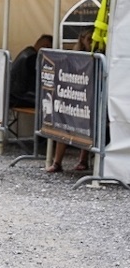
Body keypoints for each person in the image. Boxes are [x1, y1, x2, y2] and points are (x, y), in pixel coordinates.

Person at [47, 27, 98, 173]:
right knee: (63, 124)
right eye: (89, 40)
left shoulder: (98, 56)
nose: (92, 43)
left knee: (87, 125)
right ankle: (57, 162)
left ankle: (83, 160)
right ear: (82, 39)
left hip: (86, 97)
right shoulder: (72, 56)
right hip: (73, 96)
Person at [9, 34, 53, 108]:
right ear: (46, 46)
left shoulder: (27, 52)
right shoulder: (33, 59)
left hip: (14, 95)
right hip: (20, 97)